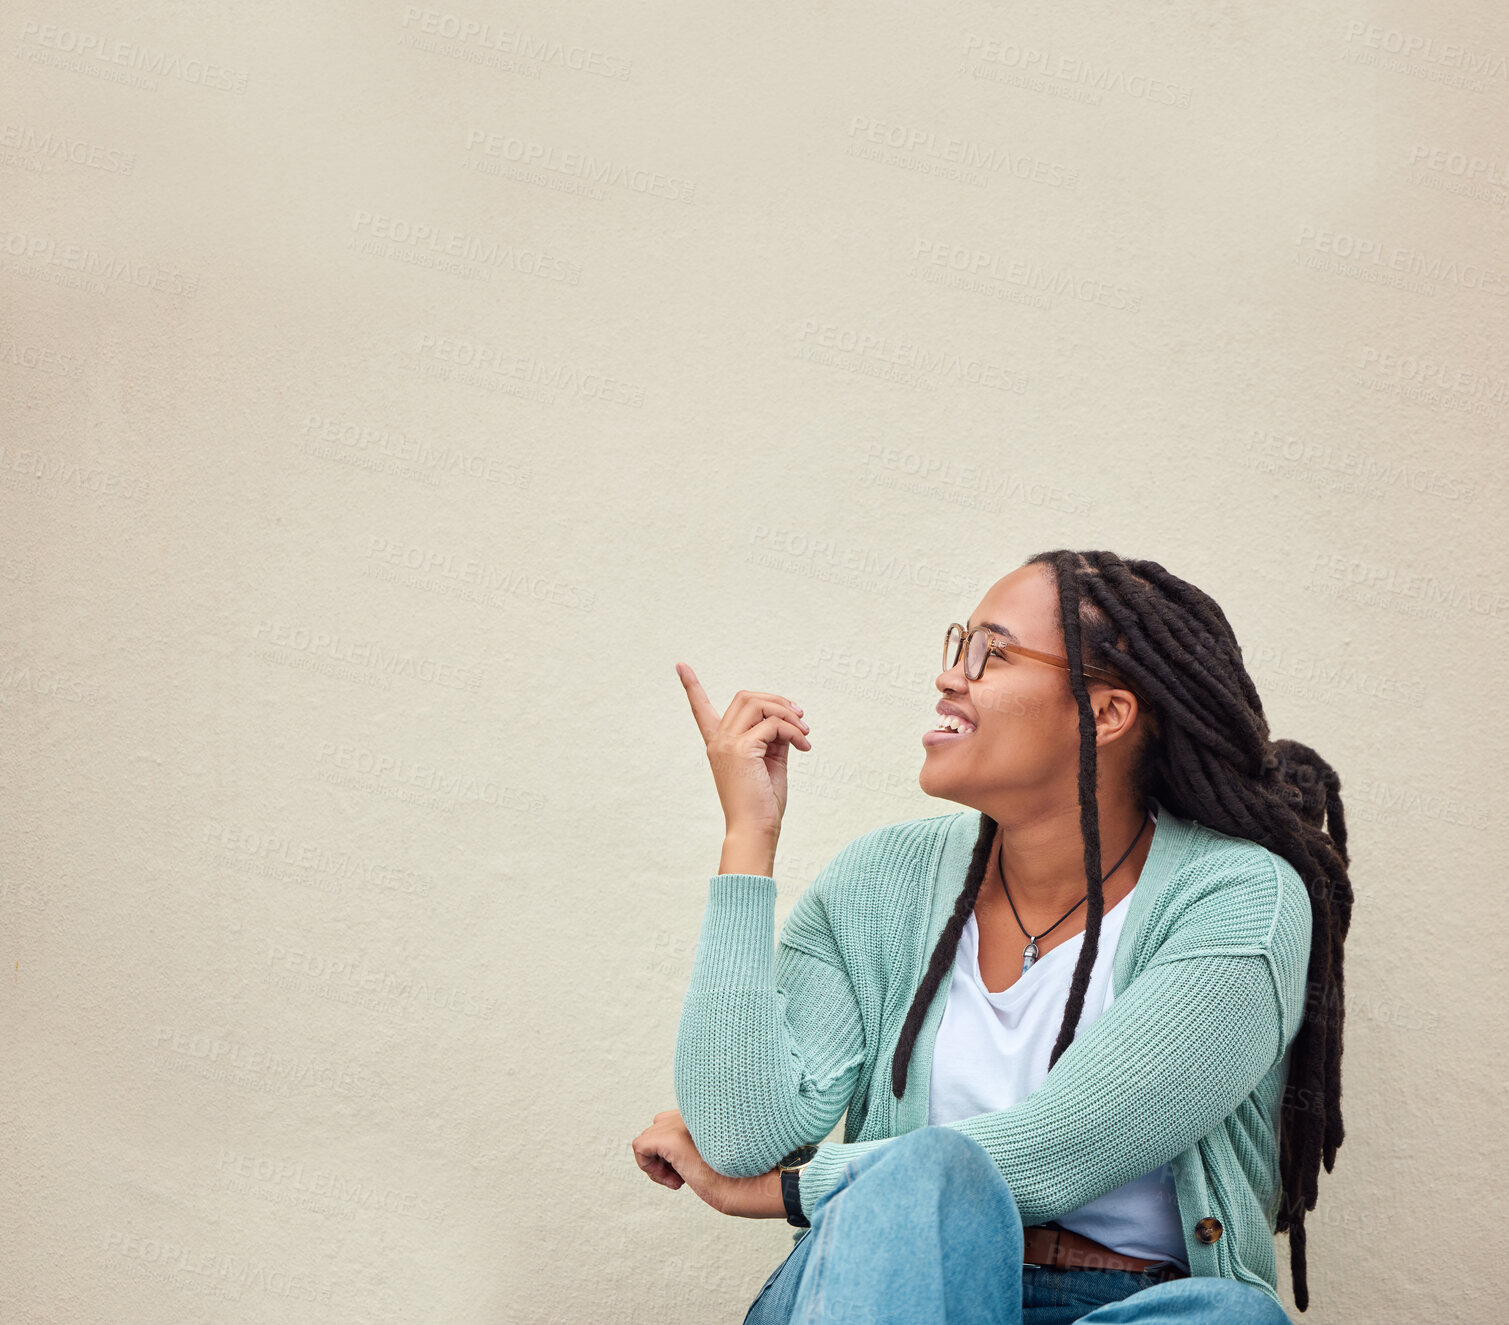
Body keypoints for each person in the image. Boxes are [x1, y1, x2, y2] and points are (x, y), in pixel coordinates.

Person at [632, 550, 1351, 1324]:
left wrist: (784, 1190)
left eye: (990, 653)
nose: (949, 676)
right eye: (957, 645)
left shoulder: (1237, 897)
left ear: (1106, 713)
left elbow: (1055, 1147)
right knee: (923, 1181)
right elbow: (741, 1135)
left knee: (1231, 1320)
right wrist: (748, 838)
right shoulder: (879, 880)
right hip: (900, 1287)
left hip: (1137, 1303)